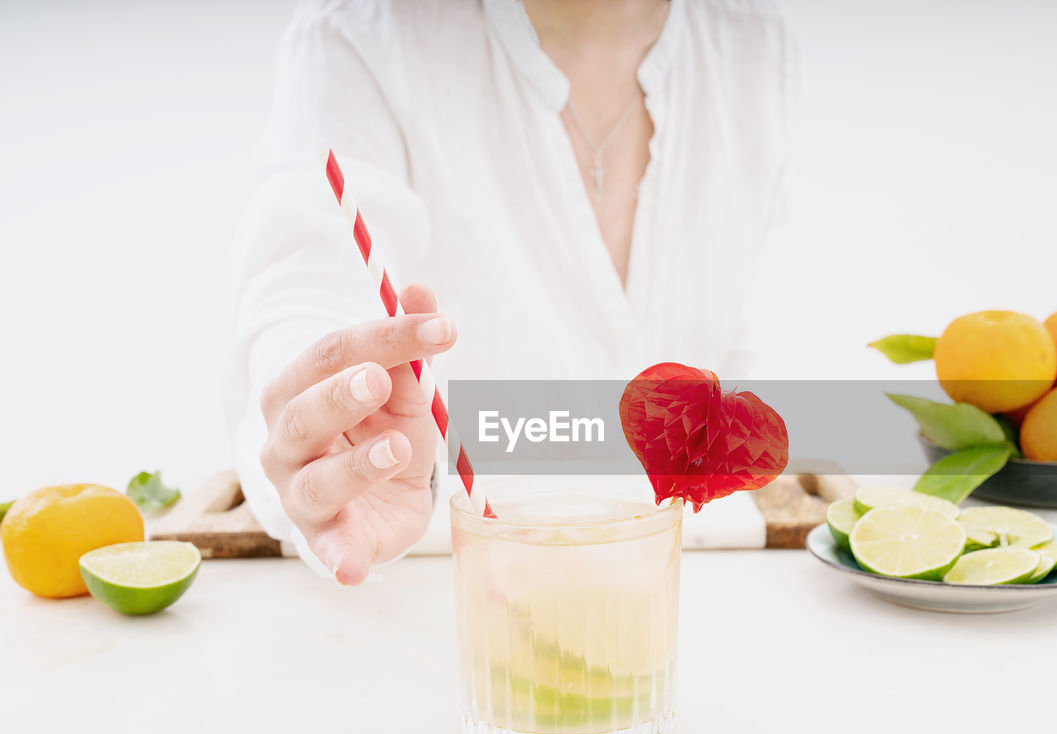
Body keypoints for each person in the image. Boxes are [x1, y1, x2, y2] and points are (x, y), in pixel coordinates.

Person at [224, 0, 795, 584]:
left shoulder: (755, 40)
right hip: (442, 611)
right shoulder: (358, 36)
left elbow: (736, 345)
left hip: (691, 602)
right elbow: (301, 290)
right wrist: (330, 434)